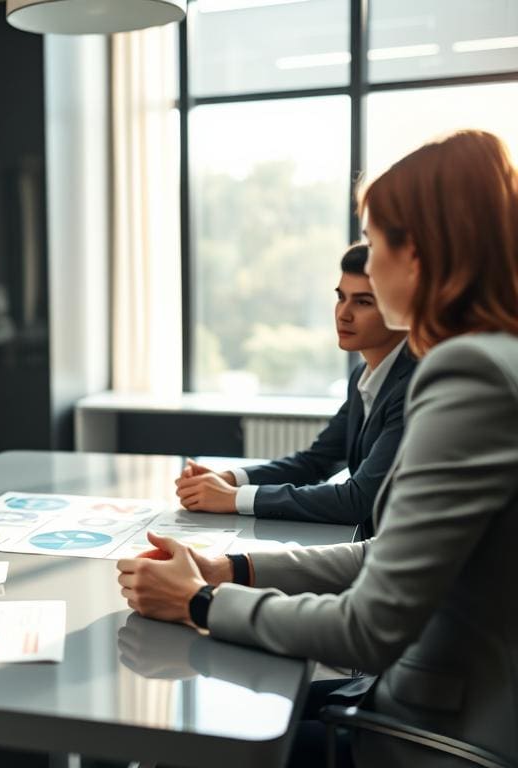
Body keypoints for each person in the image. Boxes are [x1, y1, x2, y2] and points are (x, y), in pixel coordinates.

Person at [118, 129, 518, 767]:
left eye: (375, 237)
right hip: (438, 702)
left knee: (171, 739)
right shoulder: (496, 359)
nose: (366, 263)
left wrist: (199, 601)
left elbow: (368, 626)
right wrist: (233, 570)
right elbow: (388, 555)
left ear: (415, 251)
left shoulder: (467, 372)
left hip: (435, 736)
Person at [175, 244, 414, 536]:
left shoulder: (413, 384)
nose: (343, 314)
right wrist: (229, 479)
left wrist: (233, 499)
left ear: (399, 308)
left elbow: (359, 500)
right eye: (341, 298)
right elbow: (315, 462)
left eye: (363, 302)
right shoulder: (361, 378)